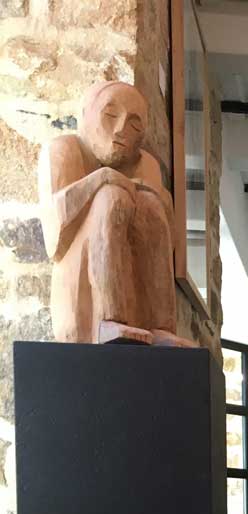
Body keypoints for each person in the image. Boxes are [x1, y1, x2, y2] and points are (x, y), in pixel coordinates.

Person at [39, 81, 191, 347]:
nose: (121, 130)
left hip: (135, 294)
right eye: (110, 116)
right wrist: (100, 179)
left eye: (134, 125)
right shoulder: (64, 150)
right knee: (112, 197)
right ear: (87, 113)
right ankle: (108, 317)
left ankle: (159, 325)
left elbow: (168, 241)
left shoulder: (146, 164)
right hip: (82, 282)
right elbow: (55, 232)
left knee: (150, 203)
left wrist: (158, 198)